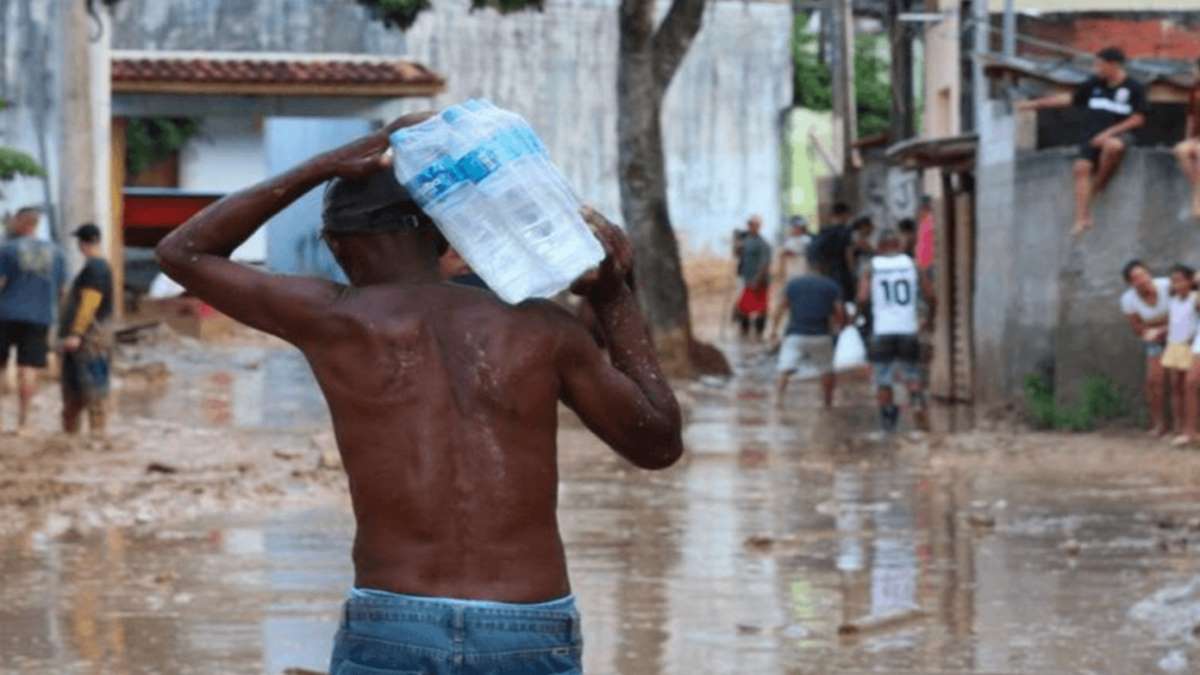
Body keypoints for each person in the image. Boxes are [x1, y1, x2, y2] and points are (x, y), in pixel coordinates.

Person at [155, 115, 683, 674]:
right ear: (442, 236)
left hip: (394, 621)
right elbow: (659, 443)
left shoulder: (335, 319)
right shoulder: (542, 330)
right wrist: (613, 295)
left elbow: (183, 252)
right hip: (527, 624)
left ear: (337, 243)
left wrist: (327, 162)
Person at [1017, 47, 1147, 236]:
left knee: (1113, 146)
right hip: (1092, 135)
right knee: (1081, 168)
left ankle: (1097, 187)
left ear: (1114, 65)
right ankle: (1082, 218)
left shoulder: (1134, 88)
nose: (1097, 69)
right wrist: (1034, 104)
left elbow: (1138, 119)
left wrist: (1109, 133)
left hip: (1118, 135)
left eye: (1100, 65)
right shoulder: (1094, 84)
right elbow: (1072, 99)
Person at [857, 229, 934, 432]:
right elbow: (930, 294)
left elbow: (863, 298)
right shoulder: (913, 264)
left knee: (883, 379)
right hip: (908, 329)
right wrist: (930, 318)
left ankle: (888, 423)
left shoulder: (871, 267)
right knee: (912, 374)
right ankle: (919, 411)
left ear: (880, 247)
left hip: (882, 330)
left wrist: (866, 316)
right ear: (898, 246)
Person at [0, 206, 66, 431]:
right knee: (28, 369)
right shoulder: (57, 252)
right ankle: (24, 421)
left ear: (21, 222)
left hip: (6, 314)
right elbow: (62, 291)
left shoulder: (7, 250)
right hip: (40, 316)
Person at [59, 224, 115, 435]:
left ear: (83, 243)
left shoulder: (95, 268)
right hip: (91, 336)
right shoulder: (97, 267)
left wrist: (76, 333)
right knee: (77, 388)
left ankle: (96, 434)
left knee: (91, 386)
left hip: (89, 337)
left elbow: (90, 302)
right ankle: (75, 435)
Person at [770, 263, 845, 408]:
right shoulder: (831, 286)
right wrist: (839, 329)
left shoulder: (793, 284)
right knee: (827, 370)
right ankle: (827, 403)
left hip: (795, 335)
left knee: (784, 369)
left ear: (807, 269)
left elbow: (780, 308)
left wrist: (773, 330)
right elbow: (839, 312)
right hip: (821, 335)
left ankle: (778, 401)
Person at [1120, 260, 1170, 436]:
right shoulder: (1128, 300)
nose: (1142, 280)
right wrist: (1153, 332)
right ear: (1130, 283)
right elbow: (1137, 328)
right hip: (1155, 340)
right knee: (1153, 381)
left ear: (1149, 273)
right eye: (1136, 278)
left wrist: (1163, 328)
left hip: (1182, 336)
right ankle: (1159, 424)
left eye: (1143, 274)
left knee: (1188, 380)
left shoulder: (1167, 285)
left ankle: (1186, 426)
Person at [1161, 265, 1197, 445]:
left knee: (1188, 386)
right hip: (1173, 346)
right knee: (1175, 387)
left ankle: (1191, 428)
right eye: (1174, 281)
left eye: (1181, 280)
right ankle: (1178, 426)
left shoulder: (1194, 299)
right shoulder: (1173, 301)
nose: (1177, 285)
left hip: (1188, 348)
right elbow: (1173, 323)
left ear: (1191, 281)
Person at [809, 201, 855, 302]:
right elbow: (849, 254)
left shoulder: (823, 231)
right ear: (844, 214)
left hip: (827, 272)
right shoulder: (846, 232)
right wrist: (852, 272)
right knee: (845, 301)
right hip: (842, 273)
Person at [735, 215, 772, 339]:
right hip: (745, 278)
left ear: (759, 226)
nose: (751, 226)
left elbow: (765, 263)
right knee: (743, 307)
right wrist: (737, 246)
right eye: (750, 224)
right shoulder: (745, 240)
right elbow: (738, 255)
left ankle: (759, 333)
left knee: (760, 307)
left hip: (759, 280)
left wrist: (757, 279)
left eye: (754, 224)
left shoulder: (763, 244)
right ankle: (744, 333)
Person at [1173, 57, 1200, 219]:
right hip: (1197, 136)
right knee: (1181, 150)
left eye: (1195, 69)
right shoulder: (1195, 88)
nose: (1193, 73)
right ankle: (1197, 188)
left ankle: (1197, 200)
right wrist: (1187, 137)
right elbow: (1190, 116)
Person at [777, 215, 812, 282]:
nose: (794, 229)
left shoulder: (806, 240)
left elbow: (792, 252)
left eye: (797, 227)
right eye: (794, 227)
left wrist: (786, 252)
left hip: (801, 268)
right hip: (790, 269)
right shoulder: (789, 240)